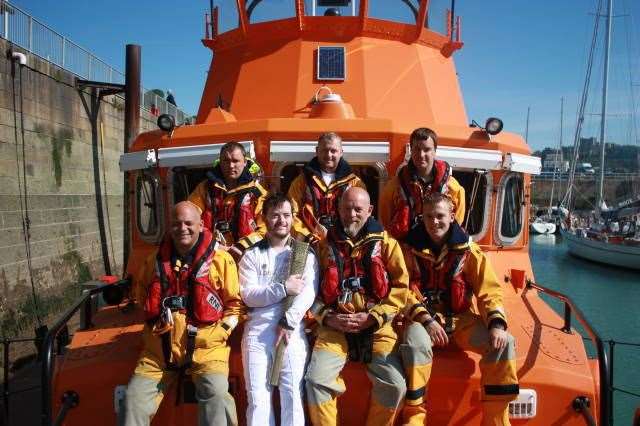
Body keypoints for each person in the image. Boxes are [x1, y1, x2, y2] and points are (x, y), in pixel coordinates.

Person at [399, 193, 519, 426]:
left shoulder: (469, 251)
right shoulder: (406, 251)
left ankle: (496, 421)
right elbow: (401, 291)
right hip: (423, 322)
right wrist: (427, 320)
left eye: (440, 216)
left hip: (462, 321)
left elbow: (489, 290)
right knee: (415, 346)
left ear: (452, 217)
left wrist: (496, 325)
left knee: (505, 344)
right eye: (429, 216)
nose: (435, 222)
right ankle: (414, 418)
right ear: (421, 218)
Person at [123, 201, 242, 426]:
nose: (183, 228)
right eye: (177, 224)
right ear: (170, 226)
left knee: (217, 396)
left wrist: (222, 331)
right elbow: (141, 296)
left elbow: (235, 306)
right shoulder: (152, 262)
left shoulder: (221, 261)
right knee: (132, 400)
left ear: (201, 225)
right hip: (159, 352)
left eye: (189, 223)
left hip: (207, 349)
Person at [305, 187, 408, 426]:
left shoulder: (388, 245)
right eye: (347, 208)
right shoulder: (322, 246)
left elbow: (401, 289)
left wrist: (373, 317)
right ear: (338, 210)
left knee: (395, 384)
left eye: (358, 209)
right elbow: (308, 292)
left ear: (370, 210)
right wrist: (327, 317)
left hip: (377, 328)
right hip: (334, 328)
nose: (352, 214)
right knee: (316, 381)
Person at [238, 193, 318, 426]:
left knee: (292, 396)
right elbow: (249, 296)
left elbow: (308, 293)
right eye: (275, 216)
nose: (281, 221)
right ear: (264, 218)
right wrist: (283, 288)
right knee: (258, 400)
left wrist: (289, 321)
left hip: (292, 332)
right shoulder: (252, 255)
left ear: (293, 218)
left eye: (286, 215)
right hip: (258, 334)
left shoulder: (304, 254)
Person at [379, 127, 465, 242]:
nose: (421, 154)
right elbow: (386, 220)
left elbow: (457, 220)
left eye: (427, 149)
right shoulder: (394, 187)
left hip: (440, 248)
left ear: (435, 151)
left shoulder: (454, 188)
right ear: (411, 151)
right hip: (405, 247)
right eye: (417, 149)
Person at [188, 141, 267, 260]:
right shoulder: (204, 189)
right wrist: (214, 245)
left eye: (235, 161)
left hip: (247, 256)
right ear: (220, 162)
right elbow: (189, 218)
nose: (231, 166)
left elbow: (266, 228)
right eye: (226, 161)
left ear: (245, 162)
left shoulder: (257, 193)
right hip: (211, 255)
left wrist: (241, 246)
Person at [287, 132, 366, 243]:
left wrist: (347, 235)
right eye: (325, 150)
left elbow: (361, 215)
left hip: (342, 242)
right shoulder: (301, 181)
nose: (329, 155)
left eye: (333, 151)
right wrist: (307, 235)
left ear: (341, 152)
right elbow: (291, 213)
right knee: (297, 260)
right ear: (317, 151)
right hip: (307, 241)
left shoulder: (355, 183)